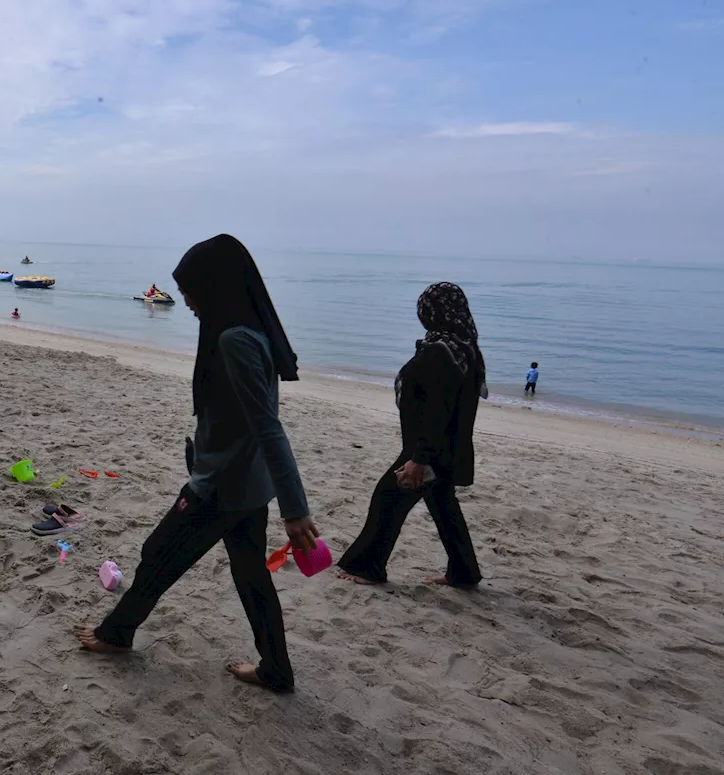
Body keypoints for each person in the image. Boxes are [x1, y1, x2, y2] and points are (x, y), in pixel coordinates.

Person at [73, 234, 319, 693]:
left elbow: (269, 427)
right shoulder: (250, 330)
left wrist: (296, 508)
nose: (185, 299)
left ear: (216, 286)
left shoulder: (234, 341)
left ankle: (116, 633)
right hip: (247, 486)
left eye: (191, 289)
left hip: (222, 488)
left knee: (157, 554)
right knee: (251, 579)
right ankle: (276, 670)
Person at [336, 282, 487, 590]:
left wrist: (420, 459)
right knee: (444, 505)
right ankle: (464, 573)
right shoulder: (465, 348)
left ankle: (366, 568)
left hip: (428, 450)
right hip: (449, 448)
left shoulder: (440, 353)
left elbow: (436, 410)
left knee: (388, 499)